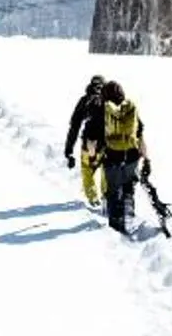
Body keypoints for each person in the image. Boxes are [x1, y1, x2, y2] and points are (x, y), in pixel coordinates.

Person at [96, 78, 148, 233]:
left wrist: (94, 155)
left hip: (112, 156)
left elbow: (94, 136)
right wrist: (146, 157)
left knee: (112, 191)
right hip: (132, 156)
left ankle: (116, 228)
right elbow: (140, 133)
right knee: (128, 186)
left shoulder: (103, 110)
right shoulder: (130, 109)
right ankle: (129, 216)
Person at [61, 74, 107, 209]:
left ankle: (93, 199)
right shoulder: (111, 100)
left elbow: (74, 126)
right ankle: (107, 198)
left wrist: (68, 150)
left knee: (88, 169)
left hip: (90, 142)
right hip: (108, 143)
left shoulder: (84, 101)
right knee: (106, 169)